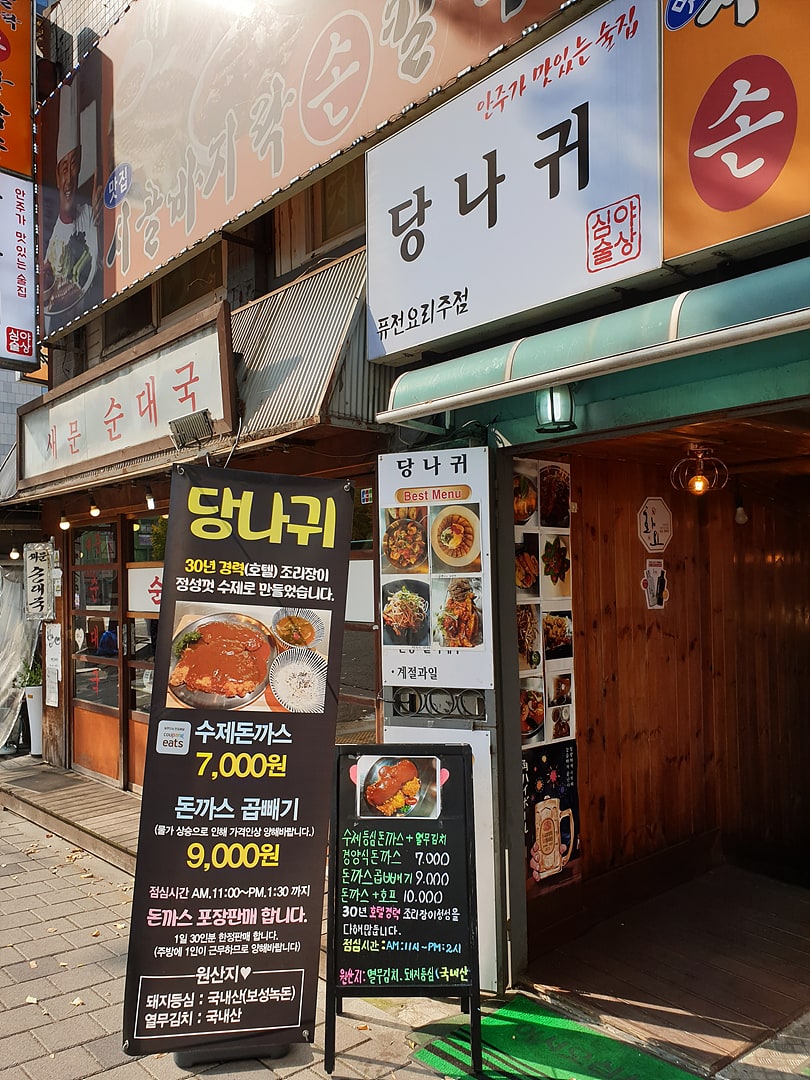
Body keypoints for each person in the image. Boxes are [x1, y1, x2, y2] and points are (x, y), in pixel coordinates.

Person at [42, 80, 102, 327]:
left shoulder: (90, 213)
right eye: (64, 168)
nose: (69, 178)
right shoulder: (51, 245)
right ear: (57, 177)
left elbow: (99, 260)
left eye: (74, 165)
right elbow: (46, 304)